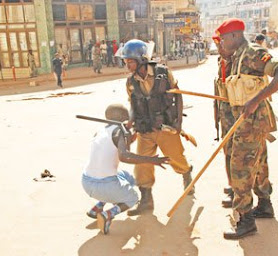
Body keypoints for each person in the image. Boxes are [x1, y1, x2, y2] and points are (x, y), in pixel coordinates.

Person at [216, 18, 278, 239]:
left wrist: (256, 99)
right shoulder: (237, 56)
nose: (221, 43)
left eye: (223, 39)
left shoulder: (252, 53)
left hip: (251, 123)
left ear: (234, 36)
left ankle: (245, 220)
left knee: (241, 168)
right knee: (257, 164)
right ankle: (265, 205)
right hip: (245, 123)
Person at [121, 39, 195, 216]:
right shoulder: (130, 82)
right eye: (126, 62)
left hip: (165, 127)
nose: (127, 65)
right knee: (142, 163)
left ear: (141, 59)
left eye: (130, 61)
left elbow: (178, 96)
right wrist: (130, 124)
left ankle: (186, 173)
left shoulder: (163, 73)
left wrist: (178, 124)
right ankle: (146, 200)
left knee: (176, 158)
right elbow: (133, 105)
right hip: (145, 130)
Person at [82, 104, 169, 234]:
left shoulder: (100, 131)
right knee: (132, 198)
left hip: (86, 181)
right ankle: (108, 215)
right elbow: (124, 156)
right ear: (124, 118)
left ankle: (97, 207)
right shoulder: (119, 132)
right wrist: (152, 160)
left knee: (127, 177)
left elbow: (115, 146)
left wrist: (130, 138)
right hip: (103, 186)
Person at [212, 34, 235, 208]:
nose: (219, 50)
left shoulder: (241, 62)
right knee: (229, 154)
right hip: (226, 119)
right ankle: (234, 187)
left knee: (242, 159)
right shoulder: (222, 61)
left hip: (242, 120)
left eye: (222, 45)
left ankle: (262, 199)